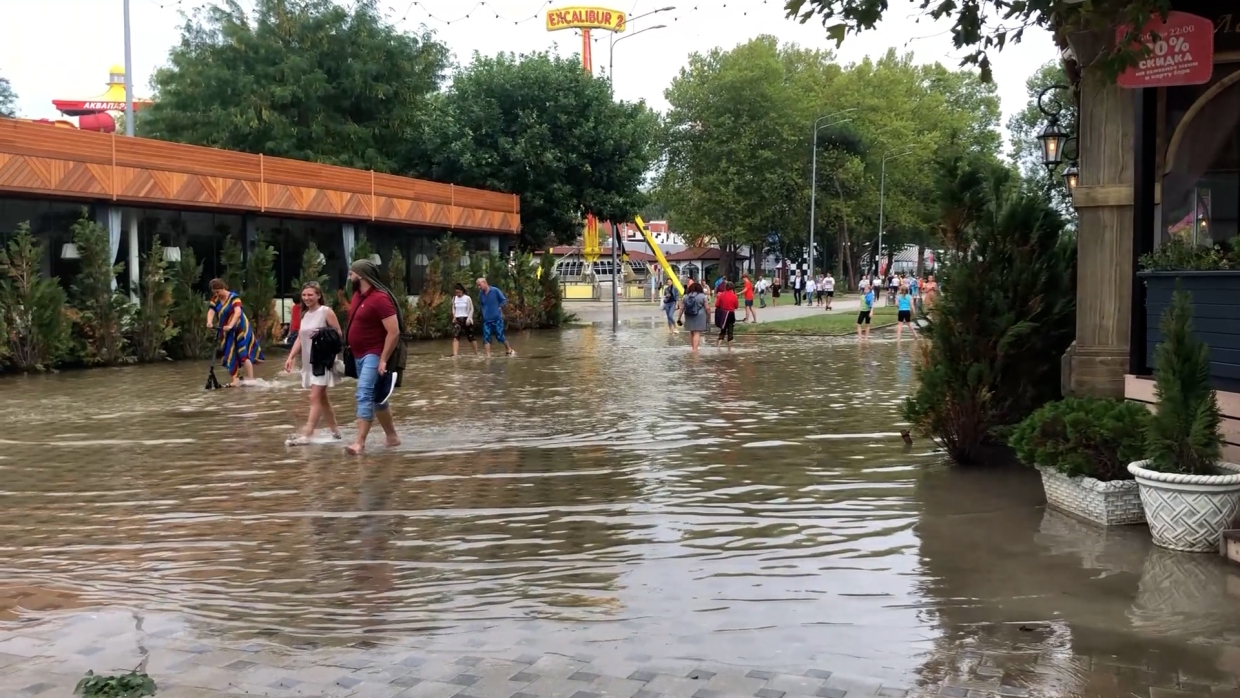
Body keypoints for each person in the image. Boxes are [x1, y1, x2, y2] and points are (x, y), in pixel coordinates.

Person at [345, 259, 406, 456]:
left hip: (374, 354)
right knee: (378, 398)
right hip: (357, 355)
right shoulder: (357, 296)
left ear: (361, 275)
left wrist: (383, 359)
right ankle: (392, 437)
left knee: (364, 394)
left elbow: (394, 332)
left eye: (351, 273)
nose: (349, 276)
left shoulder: (380, 299)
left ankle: (359, 443)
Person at [283, 281, 343, 445]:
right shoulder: (304, 315)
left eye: (310, 295)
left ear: (318, 295)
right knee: (322, 399)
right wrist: (291, 357)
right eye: (304, 295)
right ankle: (335, 431)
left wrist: (324, 335)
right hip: (308, 363)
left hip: (323, 361)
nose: (306, 298)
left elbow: (338, 334)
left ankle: (307, 434)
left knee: (314, 397)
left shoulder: (326, 312)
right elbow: (300, 339)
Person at [205, 278, 263, 387]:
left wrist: (231, 325)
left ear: (223, 288)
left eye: (218, 292)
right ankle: (235, 379)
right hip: (225, 329)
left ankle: (250, 379)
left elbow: (237, 313)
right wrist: (209, 322)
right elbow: (211, 311)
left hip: (240, 328)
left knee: (243, 353)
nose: (217, 294)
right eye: (215, 292)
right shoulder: (215, 299)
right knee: (229, 352)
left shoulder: (234, 298)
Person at [477, 277, 516, 357]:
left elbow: (503, 300)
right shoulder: (481, 294)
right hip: (487, 320)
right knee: (486, 337)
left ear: (485, 283)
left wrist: (500, 307)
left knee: (500, 336)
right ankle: (488, 355)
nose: (479, 287)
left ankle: (508, 349)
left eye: (479, 285)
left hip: (497, 318)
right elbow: (482, 305)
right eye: (478, 285)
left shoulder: (495, 290)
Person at [677, 282, 709, 351]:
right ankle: (695, 350)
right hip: (699, 316)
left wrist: (679, 318)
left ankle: (692, 348)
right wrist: (708, 317)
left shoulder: (686, 296)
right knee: (697, 332)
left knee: (691, 331)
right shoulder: (702, 296)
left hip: (688, 315)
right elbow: (707, 308)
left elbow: (682, 308)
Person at [450, 283, 479, 356]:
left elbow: (471, 309)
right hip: (458, 319)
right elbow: (453, 308)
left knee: (471, 337)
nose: (457, 294)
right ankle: (455, 354)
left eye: (459, 292)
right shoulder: (454, 298)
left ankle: (476, 353)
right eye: (456, 292)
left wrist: (469, 319)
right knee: (456, 337)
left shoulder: (467, 298)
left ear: (462, 291)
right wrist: (454, 317)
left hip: (466, 318)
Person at [715, 281, 739, 348]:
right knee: (730, 331)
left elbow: (716, 305)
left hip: (724, 314)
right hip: (731, 314)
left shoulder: (721, 295)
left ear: (725, 287)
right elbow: (736, 306)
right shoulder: (734, 296)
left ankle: (718, 347)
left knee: (723, 330)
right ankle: (730, 349)